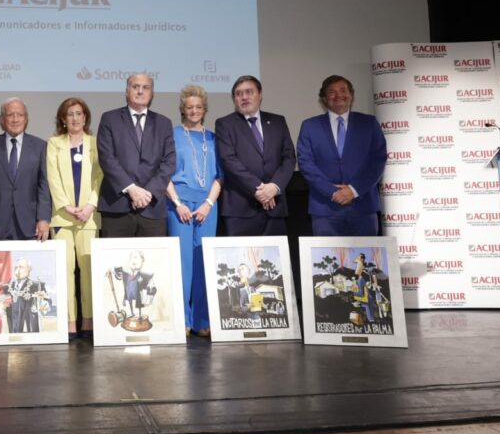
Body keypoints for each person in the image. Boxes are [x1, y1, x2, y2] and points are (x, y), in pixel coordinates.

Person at [297, 75, 387, 236]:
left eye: (343, 90)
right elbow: (306, 163)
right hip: (324, 209)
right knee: (326, 259)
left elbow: (377, 161)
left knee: (366, 260)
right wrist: (332, 191)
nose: (338, 95)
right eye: (332, 92)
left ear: (351, 94)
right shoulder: (310, 126)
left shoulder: (369, 123)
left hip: (363, 206)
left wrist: (353, 190)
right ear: (324, 99)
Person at [166, 86, 222, 336]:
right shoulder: (172, 135)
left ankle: (202, 320)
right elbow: (163, 173)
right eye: (189, 107)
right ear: (182, 110)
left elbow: (220, 176)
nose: (194, 111)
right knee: (182, 263)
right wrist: (177, 203)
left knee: (203, 262)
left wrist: (208, 203)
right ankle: (183, 320)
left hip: (207, 205)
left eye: (199, 107)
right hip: (179, 205)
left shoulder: (214, 138)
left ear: (204, 110)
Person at [46, 97, 102, 336]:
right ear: (63, 119)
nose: (75, 118)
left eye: (79, 113)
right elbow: (52, 178)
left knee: (88, 270)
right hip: (62, 218)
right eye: (70, 114)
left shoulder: (95, 143)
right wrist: (66, 206)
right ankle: (69, 322)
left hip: (89, 217)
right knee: (65, 271)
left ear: (86, 117)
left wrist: (90, 205)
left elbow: (100, 176)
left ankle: (88, 320)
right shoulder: (54, 143)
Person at [215, 75, 296, 236]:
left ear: (260, 95)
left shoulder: (278, 121)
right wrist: (260, 190)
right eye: (238, 94)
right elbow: (228, 160)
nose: (244, 97)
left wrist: (274, 187)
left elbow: (289, 158)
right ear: (234, 99)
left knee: (274, 261)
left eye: (249, 92)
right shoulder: (225, 124)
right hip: (240, 209)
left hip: (275, 206)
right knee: (242, 261)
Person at [96, 73, 176, 237]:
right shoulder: (109, 119)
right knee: (115, 262)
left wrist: (147, 193)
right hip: (117, 206)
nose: (140, 91)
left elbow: (169, 162)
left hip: (152, 206)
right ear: (127, 91)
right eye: (135, 87)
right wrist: (131, 189)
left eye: (145, 87)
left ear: (152, 93)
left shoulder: (164, 123)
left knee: (153, 262)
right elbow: (106, 158)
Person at [0, 98, 51, 242]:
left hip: (31, 225)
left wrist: (43, 218)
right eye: (10, 115)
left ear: (26, 119)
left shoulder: (40, 146)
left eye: (20, 115)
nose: (15, 119)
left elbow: (44, 185)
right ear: (2, 119)